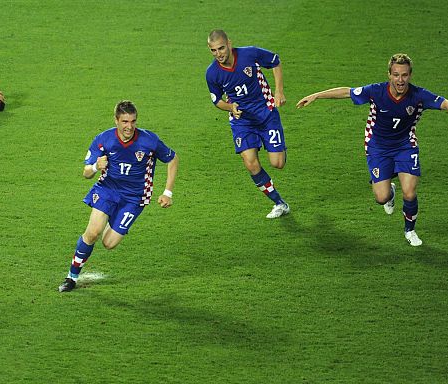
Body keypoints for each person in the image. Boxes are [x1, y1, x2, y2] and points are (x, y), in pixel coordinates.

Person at [296, 53, 448, 246]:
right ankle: (390, 193)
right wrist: (317, 95)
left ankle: (410, 230)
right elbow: (347, 92)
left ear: (410, 75)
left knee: (410, 192)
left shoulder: (418, 95)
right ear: (389, 74)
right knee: (381, 197)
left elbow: (447, 103)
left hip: (405, 146)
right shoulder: (376, 91)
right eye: (396, 74)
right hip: (378, 147)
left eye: (404, 75)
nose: (400, 80)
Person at [58, 100, 179, 292]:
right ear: (116, 120)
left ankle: (110, 218)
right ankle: (71, 276)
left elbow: (173, 158)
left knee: (109, 243)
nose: (129, 127)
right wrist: (97, 166)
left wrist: (167, 192)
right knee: (93, 233)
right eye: (124, 121)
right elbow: (86, 173)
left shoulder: (149, 141)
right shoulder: (103, 139)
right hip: (108, 190)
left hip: (134, 198)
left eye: (132, 121)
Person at [205, 30, 290, 219]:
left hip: (266, 113)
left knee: (278, 163)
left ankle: (278, 145)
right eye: (213, 50)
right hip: (242, 121)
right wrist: (230, 107)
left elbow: (275, 61)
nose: (218, 54)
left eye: (221, 48)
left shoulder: (249, 54)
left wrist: (279, 91)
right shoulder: (212, 73)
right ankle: (279, 203)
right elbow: (216, 100)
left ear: (229, 43)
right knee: (251, 164)